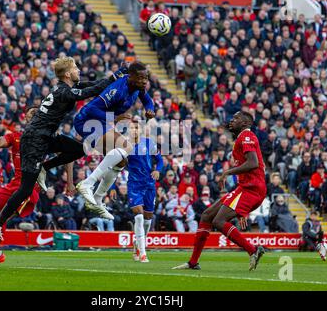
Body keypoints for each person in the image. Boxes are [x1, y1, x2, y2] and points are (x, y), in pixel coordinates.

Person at [0, 57, 126, 252]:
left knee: (79, 149)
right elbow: (90, 91)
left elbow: (94, 85)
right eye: (75, 67)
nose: (78, 70)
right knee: (26, 189)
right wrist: (116, 75)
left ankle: (45, 167)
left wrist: (116, 78)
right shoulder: (64, 92)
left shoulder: (64, 88)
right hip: (34, 140)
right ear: (68, 73)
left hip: (45, 137)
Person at [173, 111, 266, 271]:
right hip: (246, 188)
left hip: (251, 189)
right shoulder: (242, 138)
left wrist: (228, 172)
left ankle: (253, 250)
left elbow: (253, 163)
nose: (232, 120)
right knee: (207, 215)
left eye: (236, 118)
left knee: (218, 221)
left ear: (245, 123)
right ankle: (193, 262)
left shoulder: (246, 136)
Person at [75, 62, 155, 220]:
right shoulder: (117, 89)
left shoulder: (137, 86)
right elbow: (92, 109)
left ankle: (97, 199)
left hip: (101, 122)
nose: (144, 81)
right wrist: (115, 118)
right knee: (126, 147)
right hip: (87, 120)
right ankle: (87, 183)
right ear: (130, 77)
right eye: (140, 78)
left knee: (121, 161)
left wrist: (149, 108)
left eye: (146, 78)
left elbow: (147, 100)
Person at [0, 106, 42, 268]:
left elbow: (66, 155)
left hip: (29, 188)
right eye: (31, 113)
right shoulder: (16, 137)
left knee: (0, 219)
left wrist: (69, 183)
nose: (34, 115)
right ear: (26, 118)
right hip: (13, 184)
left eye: (37, 114)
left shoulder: (45, 138)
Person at [127, 121, 163, 263]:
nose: (134, 130)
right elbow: (114, 167)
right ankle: (143, 253)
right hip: (134, 185)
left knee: (148, 219)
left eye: (136, 127)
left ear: (140, 130)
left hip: (149, 184)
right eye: (131, 128)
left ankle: (138, 244)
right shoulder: (124, 145)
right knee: (139, 217)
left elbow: (159, 160)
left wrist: (157, 170)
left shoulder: (149, 143)